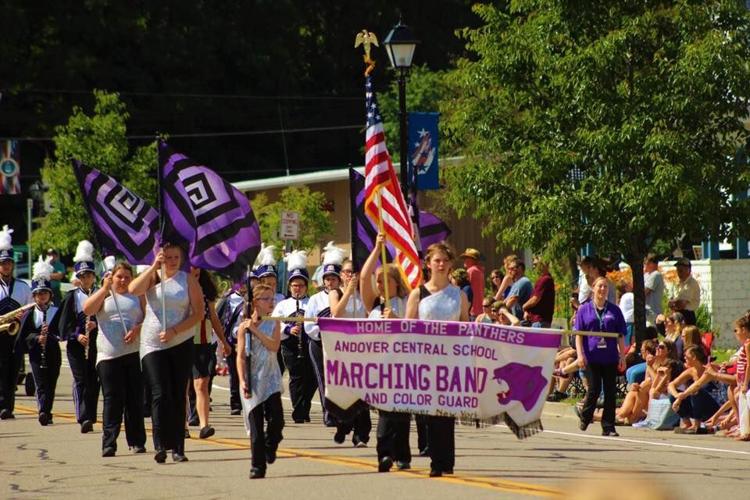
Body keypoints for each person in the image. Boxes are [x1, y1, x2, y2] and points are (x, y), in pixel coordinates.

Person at [129, 244, 202, 463]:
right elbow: (133, 290)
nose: (172, 260)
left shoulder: (187, 280)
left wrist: (175, 330)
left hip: (180, 341)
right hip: (153, 343)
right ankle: (160, 444)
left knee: (177, 394)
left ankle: (178, 447)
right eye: (167, 257)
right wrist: (153, 267)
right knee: (160, 393)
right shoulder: (153, 277)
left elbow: (198, 313)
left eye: (175, 257)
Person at [406, 242, 469, 478]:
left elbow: (466, 327)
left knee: (447, 411)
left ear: (451, 264)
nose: (441, 265)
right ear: (429, 263)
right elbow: (407, 327)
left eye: (445, 260)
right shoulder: (417, 294)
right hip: (424, 359)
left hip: (450, 360)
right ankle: (434, 459)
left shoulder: (459, 295)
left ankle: (447, 460)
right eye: (437, 260)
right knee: (429, 412)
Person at [83, 260, 147, 456]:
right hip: (108, 355)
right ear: (112, 277)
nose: (123, 280)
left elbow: (147, 318)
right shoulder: (105, 295)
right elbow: (88, 309)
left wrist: (137, 329)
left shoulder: (138, 296)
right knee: (113, 399)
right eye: (119, 277)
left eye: (127, 277)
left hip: (133, 353)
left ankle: (137, 441)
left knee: (134, 399)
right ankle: (109, 442)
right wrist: (104, 288)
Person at [360, 233, 411, 472]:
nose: (379, 285)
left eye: (384, 281)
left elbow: (415, 328)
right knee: (384, 413)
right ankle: (384, 454)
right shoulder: (374, 305)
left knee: (401, 413)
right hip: (380, 366)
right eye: (378, 282)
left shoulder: (406, 301)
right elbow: (363, 277)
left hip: (403, 365)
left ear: (395, 283)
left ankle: (402, 455)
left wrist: (397, 320)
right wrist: (377, 248)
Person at [237, 283, 284, 479]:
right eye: (266, 299)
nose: (271, 303)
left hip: (271, 377)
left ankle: (271, 444)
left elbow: (273, 346)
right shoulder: (243, 327)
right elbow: (239, 356)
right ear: (255, 302)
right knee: (256, 426)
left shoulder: (274, 322)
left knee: (277, 421)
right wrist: (242, 380)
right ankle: (257, 465)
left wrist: (255, 331)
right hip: (252, 378)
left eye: (272, 299)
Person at [574, 276, 627, 437]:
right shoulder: (584, 310)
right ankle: (586, 416)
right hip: (592, 356)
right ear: (593, 289)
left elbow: (620, 335)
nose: (602, 290)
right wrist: (580, 355)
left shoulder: (614, 310)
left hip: (610, 356)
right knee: (594, 388)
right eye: (599, 287)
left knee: (611, 392)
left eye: (605, 287)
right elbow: (578, 335)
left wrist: (622, 356)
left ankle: (608, 426)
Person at [57, 240, 100, 433]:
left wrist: (96, 324)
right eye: (83, 276)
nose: (86, 279)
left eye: (89, 275)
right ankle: (83, 417)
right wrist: (77, 335)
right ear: (78, 277)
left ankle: (91, 414)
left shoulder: (101, 294)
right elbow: (64, 324)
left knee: (94, 380)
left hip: (97, 344)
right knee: (81, 379)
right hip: (77, 346)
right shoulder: (71, 297)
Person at [329, 257, 371, 446]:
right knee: (344, 391)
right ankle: (343, 426)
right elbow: (336, 312)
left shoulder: (364, 294)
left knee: (362, 391)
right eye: (346, 272)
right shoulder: (335, 292)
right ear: (341, 275)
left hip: (361, 349)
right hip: (341, 348)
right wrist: (348, 291)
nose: (349, 275)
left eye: (353, 272)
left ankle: (362, 434)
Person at [305, 242, 346, 429]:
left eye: (334, 279)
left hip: (339, 345)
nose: (330, 282)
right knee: (323, 379)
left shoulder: (345, 296)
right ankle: (329, 414)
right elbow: (308, 324)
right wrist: (322, 333)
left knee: (339, 380)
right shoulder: (315, 299)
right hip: (319, 343)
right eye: (327, 279)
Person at [271, 250, 316, 424]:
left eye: (301, 285)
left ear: (306, 287)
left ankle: (305, 407)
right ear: (290, 287)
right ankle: (299, 411)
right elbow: (274, 322)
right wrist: (288, 329)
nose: (297, 289)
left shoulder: (312, 302)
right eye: (294, 285)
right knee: (296, 376)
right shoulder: (283, 304)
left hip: (309, 343)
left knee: (311, 377)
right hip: (289, 344)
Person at [18, 257, 61, 426]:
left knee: (51, 382)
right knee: (40, 383)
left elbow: (61, 330)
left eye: (44, 293)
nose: (41, 296)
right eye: (38, 294)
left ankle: (47, 410)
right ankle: (43, 410)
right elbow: (24, 334)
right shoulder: (29, 313)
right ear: (34, 296)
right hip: (37, 351)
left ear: (50, 294)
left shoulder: (56, 311)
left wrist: (51, 336)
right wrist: (37, 338)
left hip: (53, 350)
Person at [191, 268, 232, 439]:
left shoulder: (206, 293)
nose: (195, 272)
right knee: (183, 387)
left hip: (203, 342)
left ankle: (204, 425)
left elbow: (214, 318)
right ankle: (182, 425)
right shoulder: (177, 291)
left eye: (198, 269)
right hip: (182, 342)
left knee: (202, 384)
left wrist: (224, 341)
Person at [0, 225, 32, 420]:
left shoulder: (22, 287)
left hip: (15, 336)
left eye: (9, 263)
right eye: (3, 263)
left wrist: (23, 318)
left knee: (13, 373)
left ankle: (8, 407)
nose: (6, 266)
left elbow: (30, 308)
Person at [669, 346, 720, 434]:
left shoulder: (709, 369)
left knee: (696, 391)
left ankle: (697, 425)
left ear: (694, 357)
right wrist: (677, 395)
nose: (684, 358)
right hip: (697, 407)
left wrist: (680, 398)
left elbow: (697, 385)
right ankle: (687, 423)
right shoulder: (691, 371)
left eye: (686, 356)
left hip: (712, 406)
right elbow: (671, 384)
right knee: (673, 395)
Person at [522, 257, 555, 328]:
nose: (534, 266)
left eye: (536, 264)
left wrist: (524, 306)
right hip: (538, 321)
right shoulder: (543, 279)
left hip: (540, 321)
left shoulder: (545, 279)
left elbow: (535, 299)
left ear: (544, 265)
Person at [668, 257, 700, 325]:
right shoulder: (677, 283)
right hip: (677, 314)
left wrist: (674, 302)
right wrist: (674, 302)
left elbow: (682, 304)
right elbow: (670, 303)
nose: (678, 273)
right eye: (677, 270)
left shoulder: (691, 283)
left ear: (688, 270)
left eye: (680, 270)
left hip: (687, 315)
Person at [458, 248, 484, 319]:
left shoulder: (471, 271)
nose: (464, 260)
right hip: (479, 309)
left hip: (472, 310)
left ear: (472, 260)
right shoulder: (479, 271)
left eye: (466, 258)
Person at [643, 254, 664, 325]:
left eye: (647, 263)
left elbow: (644, 291)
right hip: (646, 311)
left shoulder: (655, 275)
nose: (645, 265)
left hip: (652, 312)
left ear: (653, 264)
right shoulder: (646, 275)